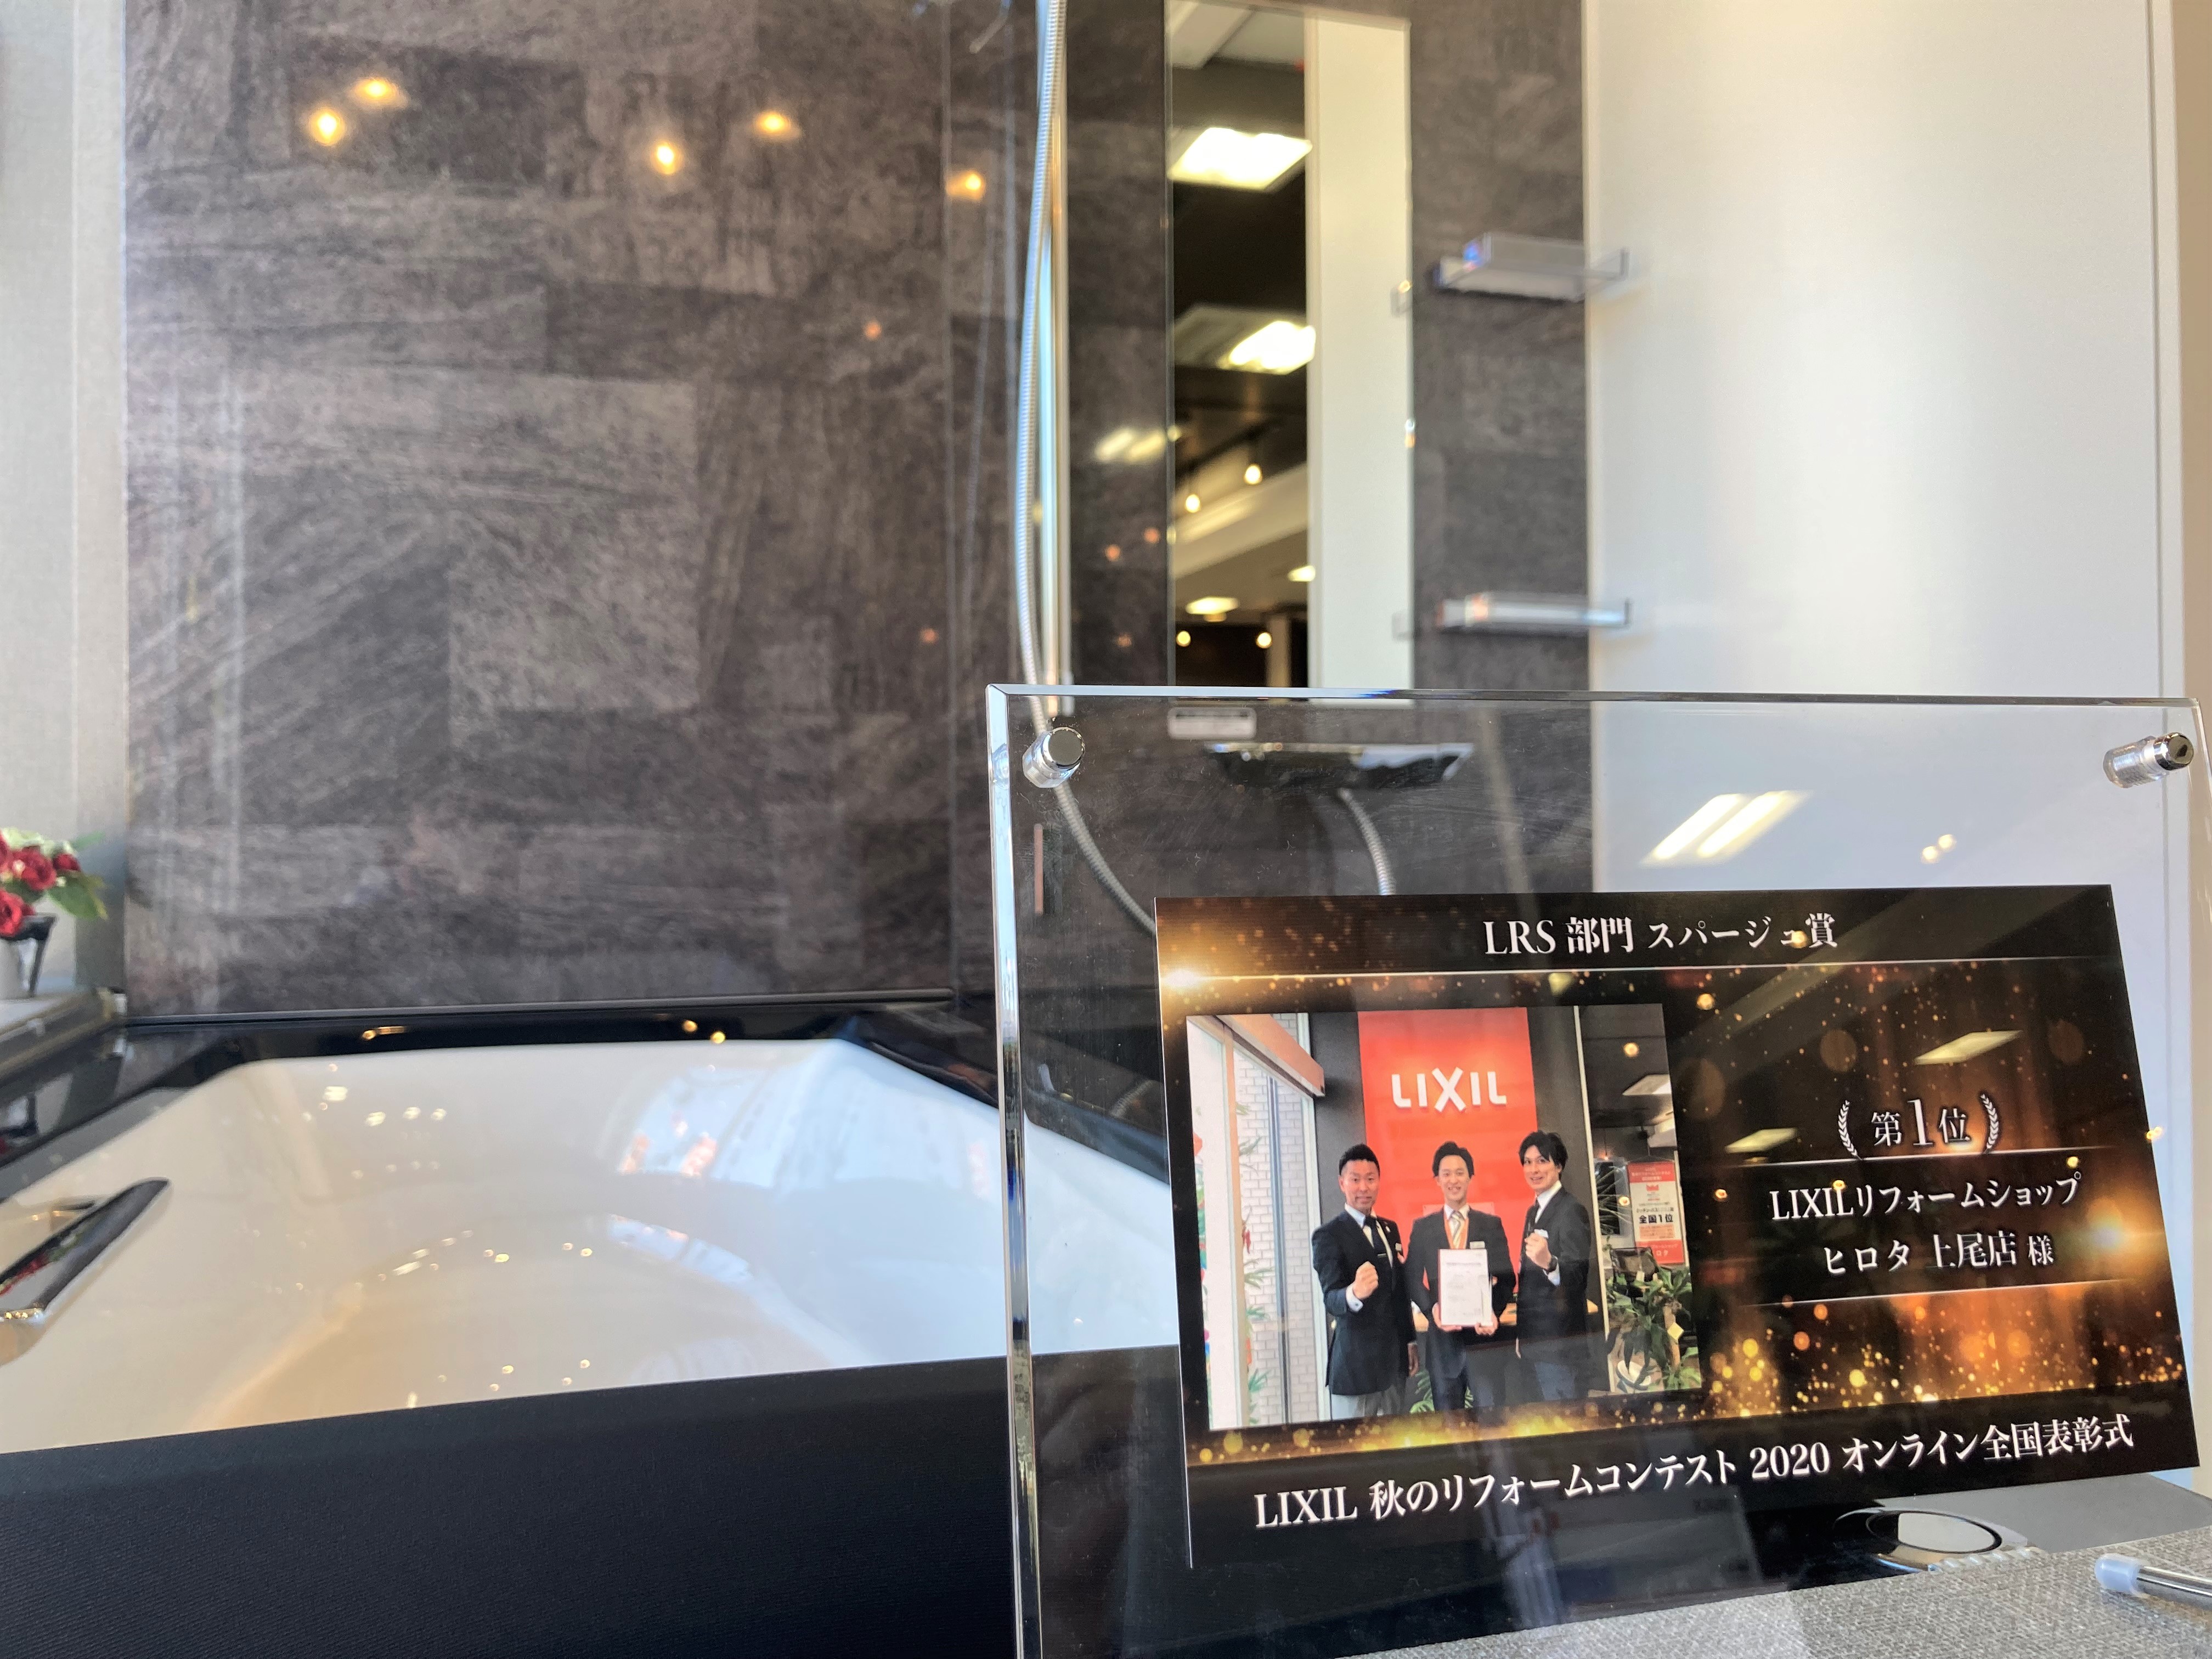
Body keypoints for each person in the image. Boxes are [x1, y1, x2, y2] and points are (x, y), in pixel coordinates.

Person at [1406, 1141, 1516, 1412]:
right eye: (1446, 1174)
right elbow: (1411, 1278)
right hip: (1443, 1349)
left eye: (1460, 1173)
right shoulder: (1423, 1228)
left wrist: (1493, 1311)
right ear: (1437, 1180)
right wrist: (1432, 1309)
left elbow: (1507, 1278)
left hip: (1484, 1345)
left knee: (1491, 1424)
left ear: (1470, 1177)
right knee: (1450, 1427)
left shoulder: (1491, 1225)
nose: (1453, 1180)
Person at [1311, 1143, 1415, 1418]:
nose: (1363, 1188)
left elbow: (1400, 1292)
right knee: (1354, 1443)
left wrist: (1410, 1341)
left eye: (1370, 1179)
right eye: (1355, 1180)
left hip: (1394, 1364)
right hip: (1355, 1368)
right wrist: (1354, 1293)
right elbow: (1331, 1298)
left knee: (1395, 1440)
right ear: (1342, 1183)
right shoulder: (1328, 1235)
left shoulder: (1390, 1229)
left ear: (1379, 1182)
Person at [1514, 1129, 1594, 1402]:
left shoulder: (1571, 1210)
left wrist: (1550, 1264)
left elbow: (1578, 1276)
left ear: (1558, 1166)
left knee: (1565, 1421)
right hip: (1534, 1344)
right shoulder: (1533, 1211)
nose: (1533, 1170)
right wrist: (1522, 1335)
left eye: (1542, 1161)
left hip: (1561, 1348)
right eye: (1527, 1162)